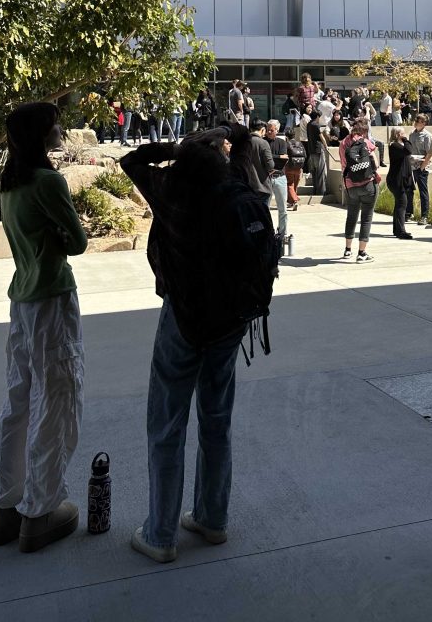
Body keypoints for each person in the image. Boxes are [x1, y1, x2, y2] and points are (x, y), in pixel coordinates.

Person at [122, 126, 276, 563]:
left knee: (167, 424)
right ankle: (212, 518)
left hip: (184, 319)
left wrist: (178, 147)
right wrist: (215, 141)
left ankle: (161, 533)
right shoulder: (238, 186)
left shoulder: (171, 191)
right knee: (216, 418)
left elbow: (131, 161)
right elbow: (243, 143)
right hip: (230, 323)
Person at [0, 102, 88, 553]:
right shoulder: (49, 181)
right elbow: (79, 242)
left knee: (18, 401)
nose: (60, 127)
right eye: (54, 122)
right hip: (51, 298)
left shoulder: (9, 185)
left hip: (22, 300)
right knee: (57, 399)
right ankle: (41, 510)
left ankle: (4, 507)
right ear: (40, 133)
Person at [338, 119, 379, 262]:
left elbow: (343, 164)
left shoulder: (343, 143)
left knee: (351, 216)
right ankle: (362, 253)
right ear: (364, 131)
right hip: (367, 184)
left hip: (350, 184)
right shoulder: (365, 142)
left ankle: (347, 250)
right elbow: (375, 161)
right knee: (366, 218)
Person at [386, 128, 415, 240]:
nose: (405, 135)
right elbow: (408, 150)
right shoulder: (394, 145)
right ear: (398, 134)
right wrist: (406, 140)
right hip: (396, 180)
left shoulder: (399, 146)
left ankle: (397, 230)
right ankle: (401, 231)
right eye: (403, 133)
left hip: (401, 179)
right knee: (402, 204)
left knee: (400, 204)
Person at [407, 114, 432, 227]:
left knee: (423, 191)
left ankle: (424, 216)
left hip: (421, 167)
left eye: (418, 120)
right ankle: (409, 212)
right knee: (409, 190)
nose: (416, 122)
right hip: (411, 165)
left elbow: (430, 152)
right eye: (415, 120)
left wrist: (423, 166)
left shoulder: (427, 136)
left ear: (424, 123)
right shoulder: (412, 135)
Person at [265, 120, 289, 242]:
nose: (269, 132)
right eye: (268, 129)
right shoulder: (263, 142)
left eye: (272, 130)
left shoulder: (281, 142)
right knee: (265, 208)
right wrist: (278, 157)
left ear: (277, 130)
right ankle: (266, 232)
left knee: (283, 209)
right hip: (266, 179)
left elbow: (283, 160)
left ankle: (282, 233)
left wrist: (273, 159)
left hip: (280, 178)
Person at [248, 119, 274, 198]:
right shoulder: (263, 143)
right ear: (262, 130)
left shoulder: (242, 142)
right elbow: (270, 165)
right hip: (262, 186)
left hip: (246, 186)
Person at [306, 109, 327, 201]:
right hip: (318, 150)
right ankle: (321, 192)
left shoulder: (309, 124)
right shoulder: (316, 125)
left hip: (311, 150)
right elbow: (321, 137)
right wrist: (326, 146)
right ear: (317, 116)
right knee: (321, 172)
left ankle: (315, 190)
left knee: (314, 172)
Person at [284, 131, 306, 210]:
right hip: (299, 167)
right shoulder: (300, 144)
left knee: (290, 184)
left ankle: (295, 201)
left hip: (289, 167)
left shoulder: (286, 144)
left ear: (287, 137)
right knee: (294, 186)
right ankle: (291, 202)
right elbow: (305, 155)